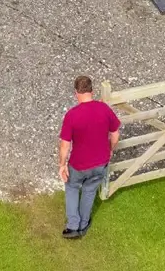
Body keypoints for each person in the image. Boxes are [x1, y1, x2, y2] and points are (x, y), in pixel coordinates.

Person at [57, 75, 120, 240]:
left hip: (79, 164)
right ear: (92, 91)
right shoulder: (104, 109)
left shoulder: (72, 115)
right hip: (100, 162)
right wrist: (111, 150)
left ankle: (72, 226)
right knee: (89, 190)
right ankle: (84, 224)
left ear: (76, 92)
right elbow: (115, 134)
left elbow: (65, 145)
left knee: (72, 187)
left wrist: (62, 165)